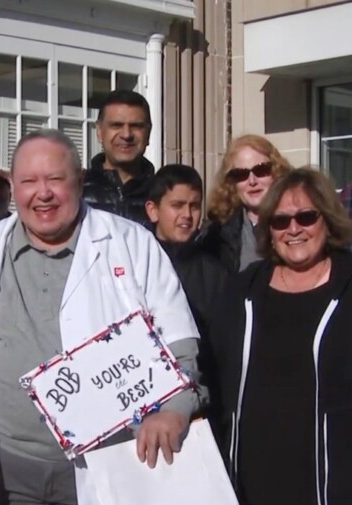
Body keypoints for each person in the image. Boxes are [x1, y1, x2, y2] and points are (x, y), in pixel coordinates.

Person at [0, 129, 205, 505]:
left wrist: (175, 409)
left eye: (55, 179)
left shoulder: (131, 243)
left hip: (105, 464)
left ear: (80, 181)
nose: (43, 193)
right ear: (13, 187)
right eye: (28, 182)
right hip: (6, 469)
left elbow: (179, 339)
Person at [206, 168, 352, 505]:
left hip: (330, 482)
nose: (294, 228)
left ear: (327, 221)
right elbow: (211, 370)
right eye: (280, 221)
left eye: (306, 216)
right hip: (249, 480)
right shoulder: (243, 289)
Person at [144, 164, 229, 338]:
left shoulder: (215, 274)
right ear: (153, 211)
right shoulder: (136, 263)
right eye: (177, 205)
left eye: (194, 206)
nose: (187, 215)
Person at [201, 134, 292, 272]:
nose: (252, 181)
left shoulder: (299, 223)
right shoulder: (216, 237)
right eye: (241, 174)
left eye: (261, 170)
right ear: (231, 183)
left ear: (276, 172)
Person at [82, 89, 154, 224]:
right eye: (116, 125)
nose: (126, 135)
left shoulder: (163, 194)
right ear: (99, 131)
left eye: (136, 126)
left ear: (148, 133)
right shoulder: (77, 190)